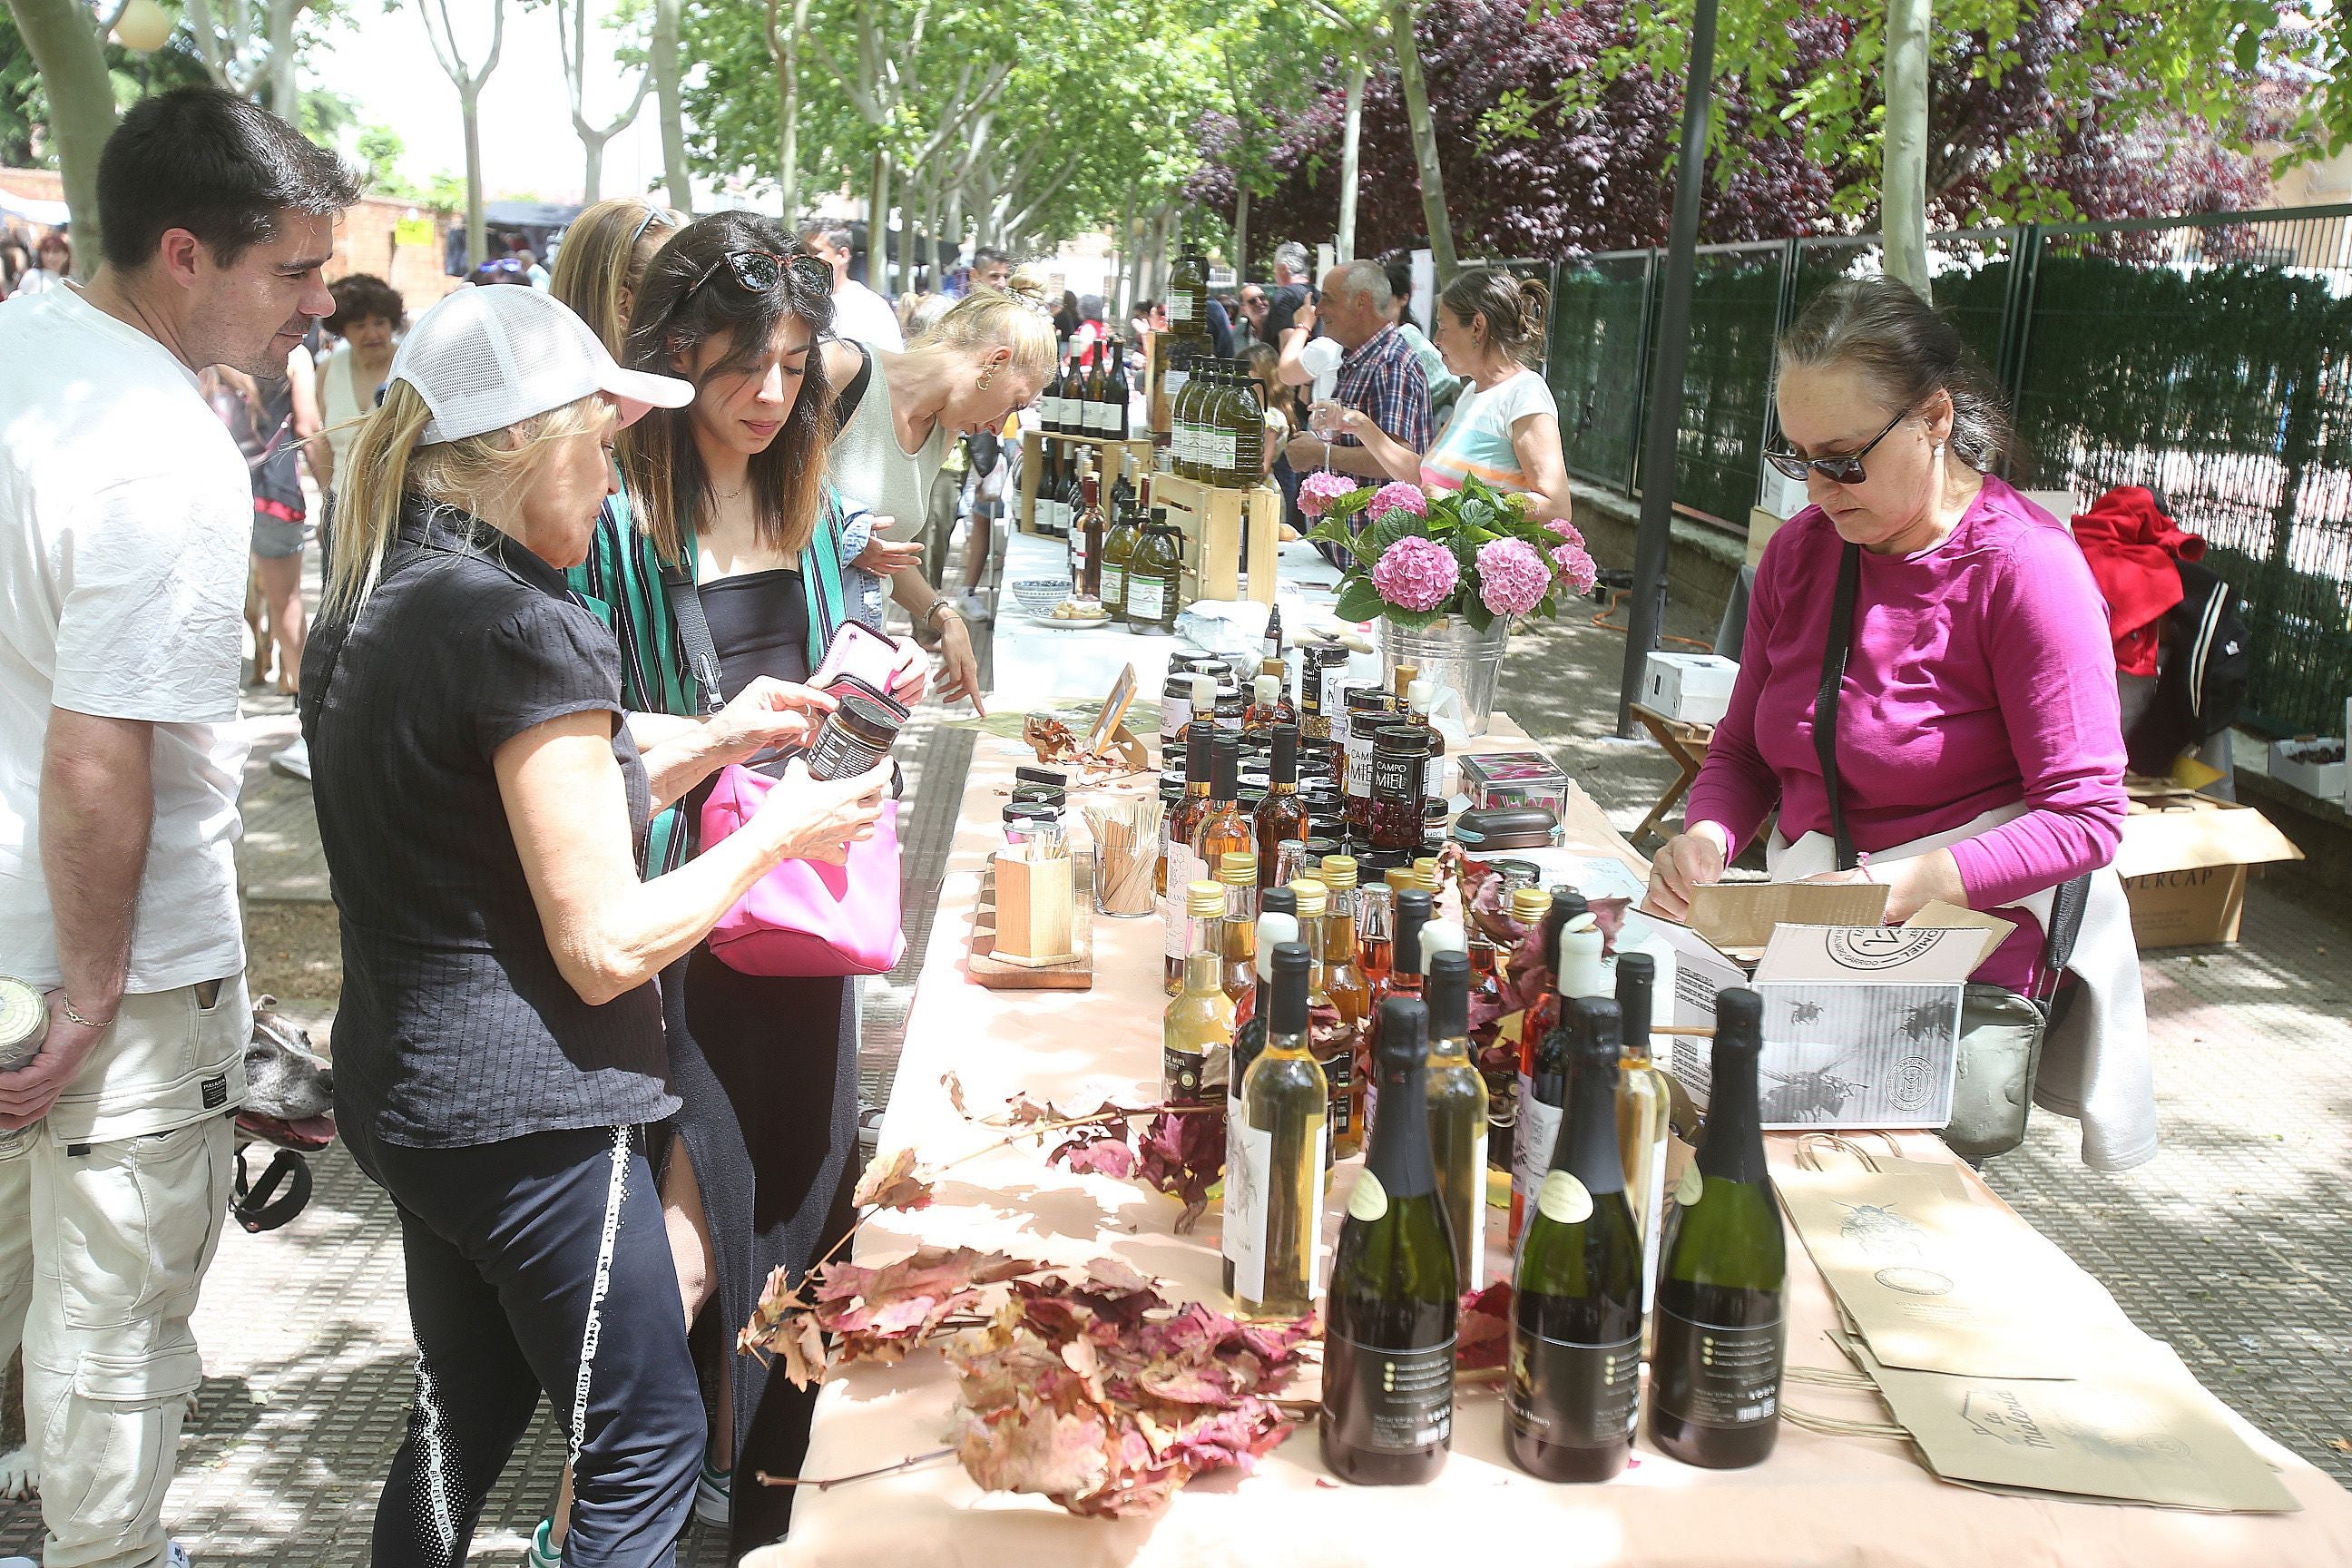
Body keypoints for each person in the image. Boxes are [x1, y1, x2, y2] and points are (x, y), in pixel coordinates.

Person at [308, 279, 891, 1567]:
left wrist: (730, 737)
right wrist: (779, 834)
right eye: (606, 431)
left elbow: (548, 780)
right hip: (529, 1121)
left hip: (415, 1101)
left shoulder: (383, 588)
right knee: (643, 1439)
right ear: (530, 445)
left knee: (461, 1417)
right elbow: (607, 941)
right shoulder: (525, 626)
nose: (623, 462)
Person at [0, 86, 355, 1568]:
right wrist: (92, 992)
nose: (320, 310)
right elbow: (100, 758)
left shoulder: (24, 349)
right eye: (293, 273)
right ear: (183, 254)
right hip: (113, 970)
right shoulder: (157, 447)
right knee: (112, 1314)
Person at [555, 212, 924, 1561]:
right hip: (685, 928)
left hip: (806, 923)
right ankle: (596, 1523)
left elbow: (827, 695)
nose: (770, 396)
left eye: (790, 365)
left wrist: (875, 693)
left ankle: (752, 1505)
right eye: (739, 368)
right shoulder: (608, 520)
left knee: (805, 1224)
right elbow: (582, 749)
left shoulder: (805, 498)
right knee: (690, 1248)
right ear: (675, 356)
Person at [1648, 277, 2154, 1171]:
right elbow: (1743, 751)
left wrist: (1909, 883)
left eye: (1844, 458)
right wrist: (1709, 834)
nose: (1817, 487)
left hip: (1954, 956)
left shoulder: (2025, 569)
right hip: (1809, 938)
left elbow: (2086, 815)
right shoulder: (1804, 551)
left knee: (1868, 1212)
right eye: (1794, 453)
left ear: (1934, 420)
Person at [819, 280, 1056, 713]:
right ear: (994, 363)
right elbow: (742, 493)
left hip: (843, 653)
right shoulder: (841, 371)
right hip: (774, 642)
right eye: (1015, 404)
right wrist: (843, 540)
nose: (999, 425)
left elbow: (884, 560)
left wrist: (942, 615)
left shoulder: (943, 434)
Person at [1325, 267, 1570, 518]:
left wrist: (1461, 503)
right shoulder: (1473, 392)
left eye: (1443, 327)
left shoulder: (1525, 393)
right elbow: (1422, 475)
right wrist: (1361, 426)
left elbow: (1556, 508)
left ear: (1477, 326)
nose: (1436, 339)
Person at [1278, 258, 1432, 483]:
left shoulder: (1390, 363)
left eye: (1328, 300)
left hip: (1376, 519)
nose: (1318, 310)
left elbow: (1398, 463)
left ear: (1362, 302)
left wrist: (1320, 453)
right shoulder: (1362, 358)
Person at [797, 218, 904, 351]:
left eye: (814, 252)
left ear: (842, 255)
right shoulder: (799, 303)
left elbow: (891, 365)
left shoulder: (872, 307)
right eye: (803, 253)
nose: (806, 260)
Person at [1262, 240, 1312, 344]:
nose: (1275, 276)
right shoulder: (1319, 295)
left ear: (1284, 268)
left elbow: (1287, 346)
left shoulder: (1284, 296)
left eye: (1275, 270)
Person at [14, 230, 70, 295]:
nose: (50, 257)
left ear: (66, 256)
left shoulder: (68, 281)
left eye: (56, 252)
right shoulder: (33, 275)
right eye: (46, 251)